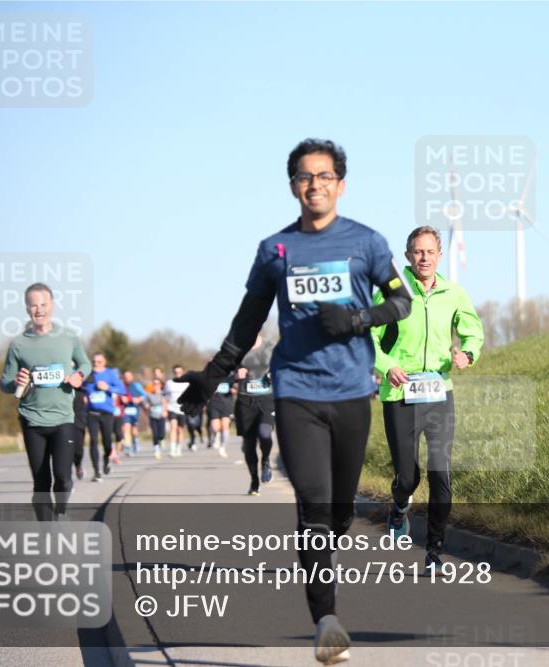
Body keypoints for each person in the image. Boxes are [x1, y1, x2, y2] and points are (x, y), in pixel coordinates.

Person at [177, 139, 412, 665]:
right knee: (314, 504)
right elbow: (248, 321)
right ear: (292, 187)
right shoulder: (275, 250)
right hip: (297, 391)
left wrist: (357, 319)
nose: (315, 185)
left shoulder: (367, 242)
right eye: (305, 176)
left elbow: (401, 302)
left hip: (351, 392)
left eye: (325, 176)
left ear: (341, 185)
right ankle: (326, 621)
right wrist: (212, 376)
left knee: (340, 513)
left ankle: (325, 550)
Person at [369, 226, 484, 570]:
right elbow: (366, 337)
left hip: (439, 393)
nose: (424, 258)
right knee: (408, 477)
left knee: (440, 474)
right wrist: (387, 366)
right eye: (418, 252)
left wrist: (467, 353)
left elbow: (473, 331)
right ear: (408, 256)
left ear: (439, 255)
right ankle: (400, 506)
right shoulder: (391, 292)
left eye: (430, 252)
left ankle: (434, 551)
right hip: (400, 393)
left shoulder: (453, 293)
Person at [0, 283, 91, 520]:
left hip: (63, 418)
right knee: (41, 482)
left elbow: (85, 363)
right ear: (27, 308)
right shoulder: (19, 344)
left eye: (43, 304)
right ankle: (47, 532)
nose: (39, 310)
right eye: (33, 305)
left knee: (63, 477)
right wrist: (15, 381)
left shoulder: (68, 337)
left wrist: (79, 376)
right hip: (32, 419)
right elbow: (5, 382)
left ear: (52, 306)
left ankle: (60, 511)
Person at [234, 336, 277, 495]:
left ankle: (265, 460)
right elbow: (223, 372)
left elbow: (283, 365)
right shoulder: (237, 348)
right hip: (245, 401)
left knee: (265, 433)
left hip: (266, 398)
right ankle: (254, 481)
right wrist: (235, 374)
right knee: (249, 444)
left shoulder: (270, 346)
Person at [83, 352, 126, 480]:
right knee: (93, 440)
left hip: (107, 413)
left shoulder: (110, 374)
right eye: (94, 362)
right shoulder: (88, 374)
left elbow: (122, 390)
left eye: (99, 362)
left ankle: (106, 460)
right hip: (91, 413)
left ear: (104, 362)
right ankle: (96, 471)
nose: (96, 364)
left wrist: (108, 388)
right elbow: (80, 387)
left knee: (107, 442)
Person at [120, 370, 147, 455]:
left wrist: (138, 399)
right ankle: (128, 447)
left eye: (128, 377)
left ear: (132, 377)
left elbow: (144, 395)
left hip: (135, 409)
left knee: (134, 429)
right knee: (126, 428)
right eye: (125, 377)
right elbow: (117, 395)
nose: (127, 378)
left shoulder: (136, 385)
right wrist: (122, 398)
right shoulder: (121, 386)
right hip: (125, 410)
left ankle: (135, 440)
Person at [206, 376, 234, 458]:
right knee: (215, 427)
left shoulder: (230, 378)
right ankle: (217, 436)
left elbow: (236, 388)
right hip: (213, 404)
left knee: (225, 426)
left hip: (226, 404)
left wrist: (234, 390)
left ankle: (223, 447)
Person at [163, 365, 188, 457]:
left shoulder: (187, 383)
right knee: (173, 428)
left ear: (182, 372)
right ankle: (172, 449)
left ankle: (178, 448)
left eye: (179, 372)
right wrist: (165, 408)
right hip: (171, 408)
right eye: (176, 372)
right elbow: (164, 396)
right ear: (173, 373)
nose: (177, 374)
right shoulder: (169, 383)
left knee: (180, 430)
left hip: (182, 409)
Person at [145, 377, 169, 459]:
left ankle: (162, 440)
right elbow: (146, 404)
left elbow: (165, 403)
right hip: (152, 416)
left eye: (157, 384)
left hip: (161, 416)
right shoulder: (150, 395)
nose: (155, 385)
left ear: (161, 385)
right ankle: (157, 449)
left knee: (161, 434)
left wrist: (165, 411)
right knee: (155, 434)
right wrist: (147, 406)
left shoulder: (163, 394)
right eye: (154, 384)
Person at [71, 386, 87, 480]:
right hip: (62, 417)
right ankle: (66, 475)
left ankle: (78, 464)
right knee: (65, 446)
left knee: (78, 448)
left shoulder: (81, 387)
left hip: (78, 418)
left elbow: (90, 380)